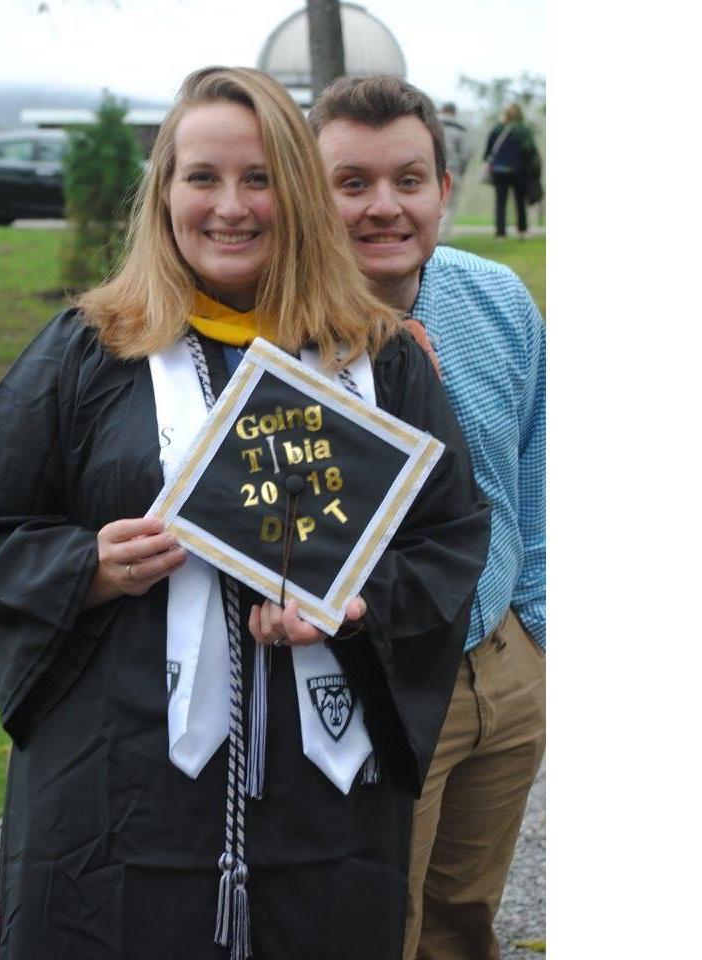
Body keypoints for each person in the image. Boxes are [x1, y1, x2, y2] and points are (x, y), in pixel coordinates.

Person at [0, 66, 490, 960]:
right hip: (118, 791)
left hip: (325, 800)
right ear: (165, 193)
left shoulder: (381, 361)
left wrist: (363, 601)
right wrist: (89, 567)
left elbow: (451, 536)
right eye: (204, 177)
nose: (231, 206)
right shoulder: (92, 348)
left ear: (297, 194)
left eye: (259, 178)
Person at [310, 76, 546, 960]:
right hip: (370, 687)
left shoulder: (498, 302)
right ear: (310, 190)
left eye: (408, 180)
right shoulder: (270, 332)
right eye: (351, 182)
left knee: (463, 922)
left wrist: (539, 638)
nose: (384, 207)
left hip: (504, 665)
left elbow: (538, 469)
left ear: (444, 190)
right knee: (374, 928)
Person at [483, 103, 539, 239]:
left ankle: (500, 233)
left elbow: (488, 150)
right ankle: (522, 231)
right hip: (519, 171)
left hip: (499, 170)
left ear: (506, 115)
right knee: (520, 201)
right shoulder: (524, 131)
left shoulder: (497, 129)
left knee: (500, 202)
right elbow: (530, 151)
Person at [435, 103, 471, 241]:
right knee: (449, 204)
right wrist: (462, 168)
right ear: (454, 113)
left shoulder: (429, 126)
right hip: (453, 170)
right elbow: (466, 153)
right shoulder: (460, 130)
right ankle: (441, 237)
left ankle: (432, 236)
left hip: (431, 170)